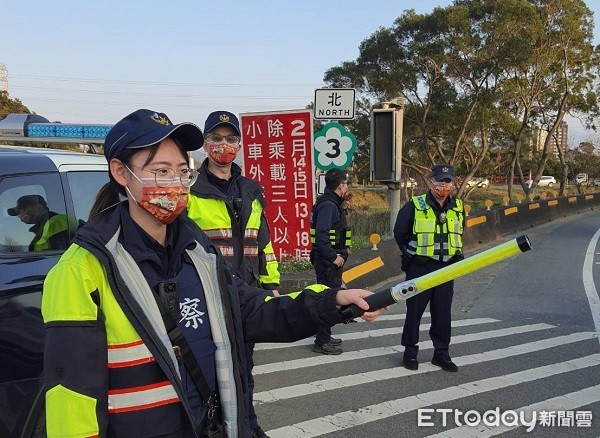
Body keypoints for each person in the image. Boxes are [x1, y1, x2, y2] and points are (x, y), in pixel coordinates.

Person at [41, 108, 381, 438]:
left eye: (180, 170)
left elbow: (250, 309)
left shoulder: (198, 252)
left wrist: (332, 301)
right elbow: (72, 395)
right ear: (120, 172)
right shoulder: (80, 271)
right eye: (160, 171)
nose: (174, 183)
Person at [186, 110, 279, 438]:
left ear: (239, 145)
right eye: (216, 138)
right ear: (205, 144)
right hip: (206, 298)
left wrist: (272, 286)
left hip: (248, 296)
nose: (223, 145)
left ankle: (248, 426)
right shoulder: (190, 190)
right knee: (209, 372)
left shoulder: (251, 190)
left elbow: (262, 242)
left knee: (244, 370)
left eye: (230, 139)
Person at [393, 164, 465, 373]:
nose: (443, 185)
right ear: (431, 181)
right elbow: (400, 233)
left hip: (447, 268)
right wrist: (412, 253)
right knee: (414, 312)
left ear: (453, 182)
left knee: (442, 313)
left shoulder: (458, 207)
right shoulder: (415, 205)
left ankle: (441, 354)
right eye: (440, 181)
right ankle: (410, 353)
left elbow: (459, 233)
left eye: (447, 181)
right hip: (420, 268)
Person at [309, 168, 352, 355]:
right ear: (341, 186)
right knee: (327, 300)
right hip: (328, 262)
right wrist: (333, 257)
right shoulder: (328, 205)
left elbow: (336, 232)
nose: (347, 187)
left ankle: (324, 335)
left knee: (328, 298)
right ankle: (321, 341)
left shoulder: (332, 202)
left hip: (330, 259)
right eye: (346, 184)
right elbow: (322, 235)